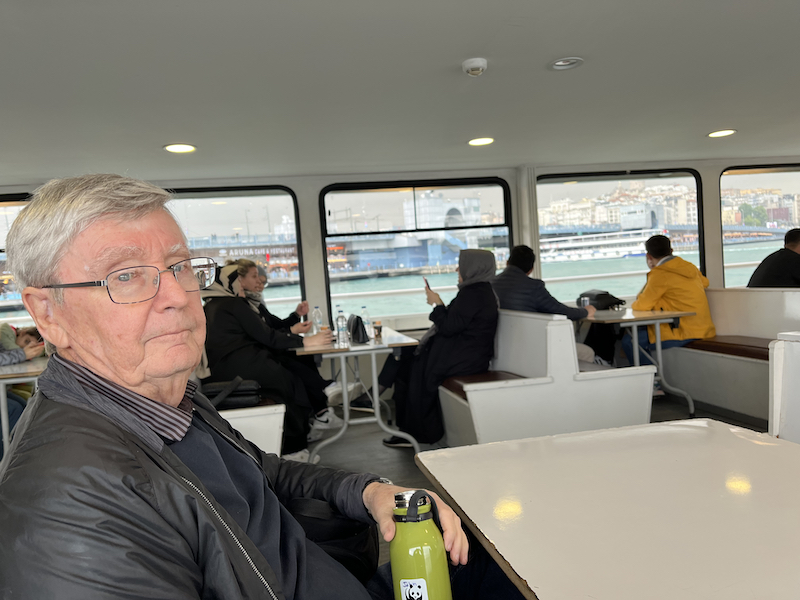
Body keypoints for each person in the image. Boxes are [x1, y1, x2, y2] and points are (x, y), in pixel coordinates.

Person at [0, 174, 525, 600]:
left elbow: (261, 472)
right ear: (47, 312)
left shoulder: (171, 396)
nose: (178, 297)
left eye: (179, 267)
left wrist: (369, 490)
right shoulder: (65, 508)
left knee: (496, 545)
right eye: (127, 276)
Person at [202, 261, 334, 461]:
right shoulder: (234, 304)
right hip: (242, 366)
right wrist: (306, 342)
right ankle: (293, 449)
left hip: (227, 367)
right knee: (289, 383)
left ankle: (310, 422)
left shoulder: (212, 305)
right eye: (237, 280)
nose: (239, 285)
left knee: (291, 376)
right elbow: (267, 336)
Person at [380, 249, 499, 448]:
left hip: (463, 359)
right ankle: (404, 426)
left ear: (472, 267)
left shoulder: (474, 293)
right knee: (404, 359)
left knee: (411, 368)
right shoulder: (476, 292)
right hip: (462, 354)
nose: (456, 269)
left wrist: (437, 304)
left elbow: (449, 326)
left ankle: (414, 431)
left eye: (461, 265)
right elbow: (455, 323)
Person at [235, 257, 343, 437]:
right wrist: (295, 332)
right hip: (260, 358)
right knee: (293, 364)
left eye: (261, 281)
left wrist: (296, 316)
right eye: (255, 278)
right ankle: (324, 396)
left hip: (267, 352)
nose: (259, 284)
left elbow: (275, 326)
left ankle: (321, 409)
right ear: (240, 280)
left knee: (304, 357)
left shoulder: (256, 305)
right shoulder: (242, 308)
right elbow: (268, 335)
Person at [491, 244, 600, 364]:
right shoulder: (533, 287)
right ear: (531, 269)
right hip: (530, 347)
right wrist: (586, 311)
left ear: (507, 263)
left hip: (500, 347)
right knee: (587, 352)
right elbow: (561, 311)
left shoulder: (491, 283)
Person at [622, 234, 716, 365]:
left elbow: (641, 306)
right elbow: (705, 282)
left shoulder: (659, 274)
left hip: (681, 331)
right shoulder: (689, 267)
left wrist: (653, 273)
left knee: (630, 341)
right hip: (704, 328)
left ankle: (651, 380)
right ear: (671, 251)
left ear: (648, 256)